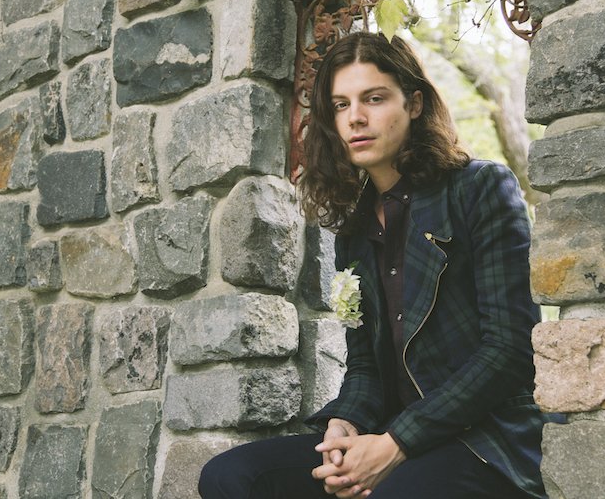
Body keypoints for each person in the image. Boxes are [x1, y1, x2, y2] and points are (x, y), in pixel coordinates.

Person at [198, 31, 553, 499]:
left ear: (414, 104)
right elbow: (365, 365)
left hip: (486, 441)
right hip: (390, 435)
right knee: (230, 476)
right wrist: (345, 425)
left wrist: (395, 444)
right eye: (341, 105)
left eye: (374, 98)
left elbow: (509, 351)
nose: (356, 118)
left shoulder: (479, 188)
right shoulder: (355, 230)